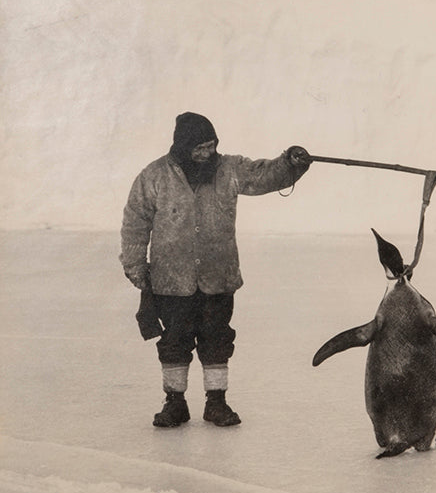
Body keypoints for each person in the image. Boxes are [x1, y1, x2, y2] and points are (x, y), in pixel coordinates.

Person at [120, 112, 312, 428]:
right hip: (170, 281)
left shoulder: (230, 170)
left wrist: (291, 162)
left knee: (217, 339)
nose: (206, 153)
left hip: (218, 278)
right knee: (174, 342)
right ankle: (175, 403)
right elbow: (135, 222)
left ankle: (217, 403)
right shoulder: (153, 177)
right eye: (199, 148)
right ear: (183, 147)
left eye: (211, 146)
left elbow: (264, 175)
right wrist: (135, 265)